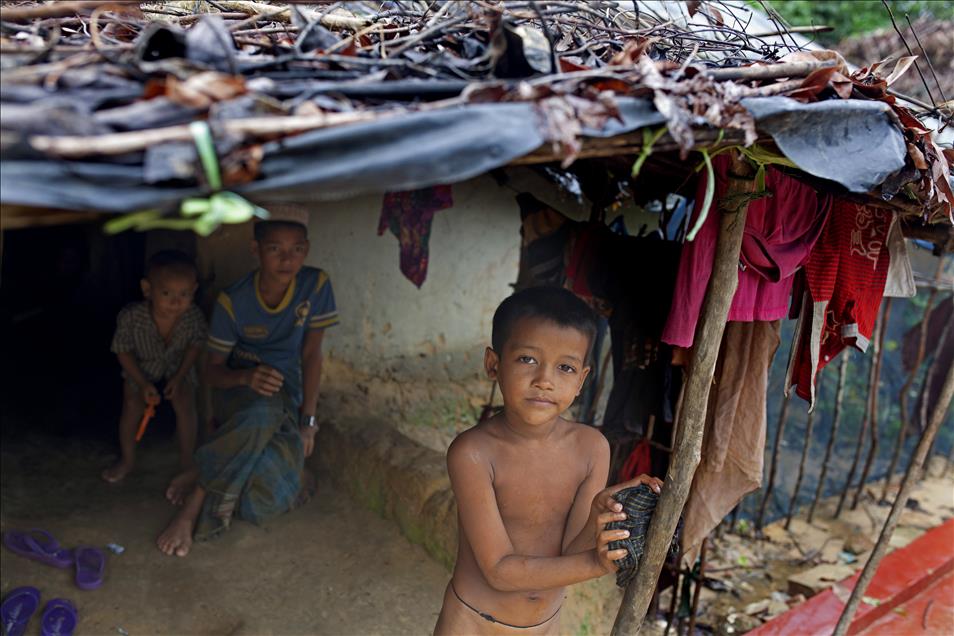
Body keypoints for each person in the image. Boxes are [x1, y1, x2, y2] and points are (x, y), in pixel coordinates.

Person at [434, 286, 663, 635]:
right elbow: (498, 570)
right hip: (471, 623)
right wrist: (596, 563)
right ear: (493, 364)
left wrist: (599, 512)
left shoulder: (591, 448)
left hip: (546, 626)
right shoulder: (474, 453)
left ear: (582, 380)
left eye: (566, 367)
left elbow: (571, 550)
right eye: (527, 359)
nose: (544, 381)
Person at [157, 208, 338, 557]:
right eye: (275, 249)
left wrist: (308, 423)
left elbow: (312, 354)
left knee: (259, 503)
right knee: (259, 410)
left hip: (286, 398)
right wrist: (245, 377)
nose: (287, 259)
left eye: (296, 249)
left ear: (307, 249)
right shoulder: (234, 300)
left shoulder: (315, 285)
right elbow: (210, 371)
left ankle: (204, 471)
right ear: (255, 250)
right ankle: (193, 508)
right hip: (236, 391)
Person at [103, 250, 206, 483]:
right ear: (147, 290)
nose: (176, 302)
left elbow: (195, 347)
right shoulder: (132, 317)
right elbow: (122, 351)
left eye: (184, 294)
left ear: (194, 292)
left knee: (186, 403)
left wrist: (179, 378)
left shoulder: (193, 316)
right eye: (167, 293)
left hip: (178, 366)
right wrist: (142, 383)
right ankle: (127, 461)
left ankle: (187, 461)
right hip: (141, 368)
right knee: (132, 404)